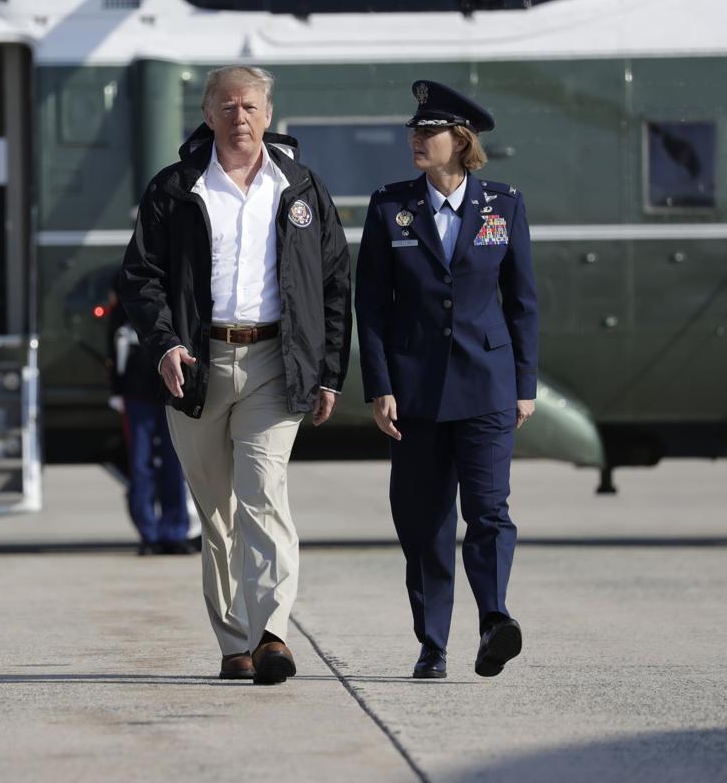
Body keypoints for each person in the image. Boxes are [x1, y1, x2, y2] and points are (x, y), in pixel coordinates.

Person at [118, 66, 351, 685]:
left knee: (263, 494)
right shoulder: (175, 189)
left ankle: (271, 633)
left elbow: (333, 285)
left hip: (275, 363)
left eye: (249, 106)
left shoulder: (301, 189)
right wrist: (165, 345)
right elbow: (140, 279)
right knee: (216, 513)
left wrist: (328, 372)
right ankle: (233, 642)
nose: (239, 116)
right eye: (226, 107)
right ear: (207, 114)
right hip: (197, 367)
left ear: (268, 114)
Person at [354, 80, 538, 679]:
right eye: (414, 129)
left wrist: (525, 382)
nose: (415, 138)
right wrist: (379, 385)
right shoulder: (390, 207)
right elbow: (372, 307)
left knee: (489, 511)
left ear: (460, 141)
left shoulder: (503, 205)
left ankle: (494, 621)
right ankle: (433, 645)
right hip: (415, 393)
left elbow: (523, 302)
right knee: (424, 522)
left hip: (487, 385)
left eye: (427, 131)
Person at [106, 286, 192, 555]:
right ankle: (149, 532)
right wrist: (117, 388)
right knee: (140, 464)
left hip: (171, 390)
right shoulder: (124, 289)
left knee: (174, 462)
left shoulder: (175, 284)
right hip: (136, 391)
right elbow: (114, 341)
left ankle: (174, 530)